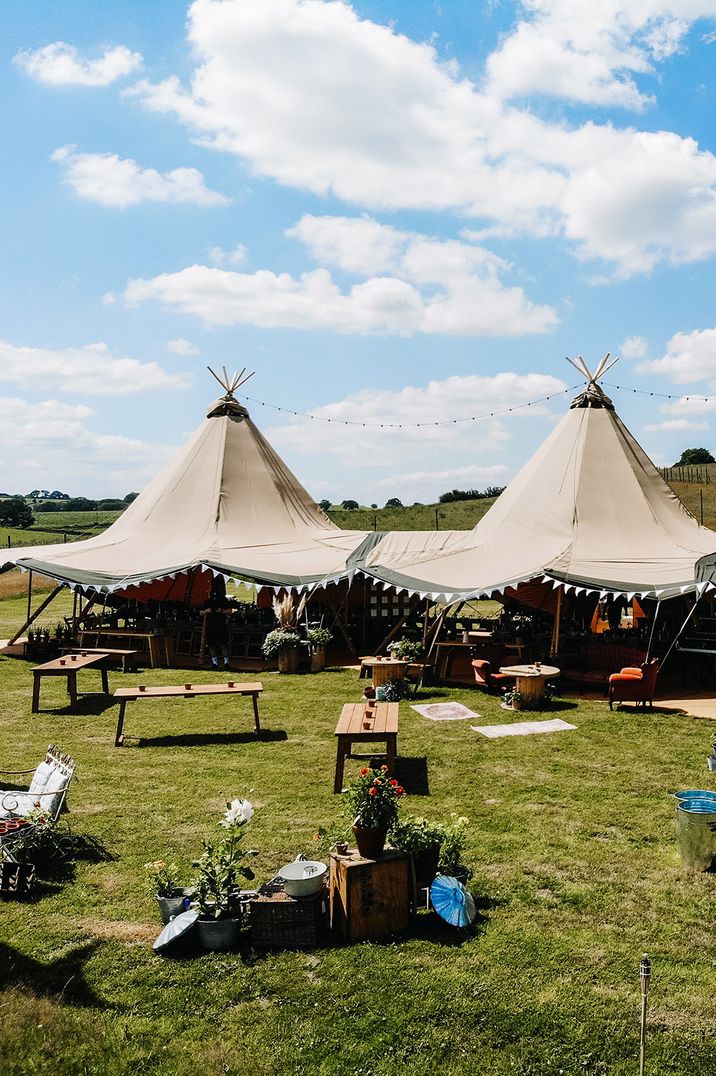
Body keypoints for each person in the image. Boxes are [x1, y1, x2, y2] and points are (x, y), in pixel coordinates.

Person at [199, 579, 234, 668]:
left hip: (221, 626)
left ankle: (226, 662)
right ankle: (215, 663)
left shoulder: (223, 600)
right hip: (210, 626)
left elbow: (230, 611)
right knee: (211, 645)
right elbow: (201, 613)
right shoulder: (207, 602)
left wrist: (222, 611)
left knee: (223, 644)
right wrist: (206, 611)